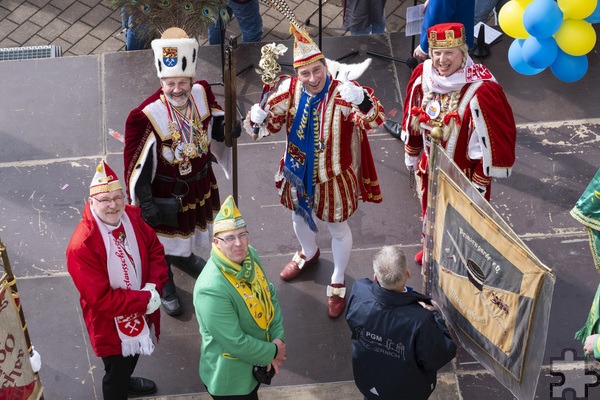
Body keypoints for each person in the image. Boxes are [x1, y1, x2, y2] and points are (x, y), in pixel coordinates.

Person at [245, 24, 385, 318]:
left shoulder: (344, 92)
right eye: (305, 73)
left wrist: (361, 100)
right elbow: (263, 130)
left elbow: (375, 120)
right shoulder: (289, 91)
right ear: (298, 75)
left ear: (326, 66)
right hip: (296, 173)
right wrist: (256, 119)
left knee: (337, 228)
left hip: (333, 177)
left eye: (317, 70)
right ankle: (308, 253)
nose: (312, 78)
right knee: (298, 216)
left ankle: (337, 279)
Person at [124, 27, 236, 316]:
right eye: (170, 82)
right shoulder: (145, 116)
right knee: (163, 241)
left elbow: (215, 124)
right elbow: (136, 167)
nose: (177, 89)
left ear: (191, 79)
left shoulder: (201, 93)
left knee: (188, 232)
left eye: (182, 82)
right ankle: (166, 281)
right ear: (161, 80)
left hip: (200, 185)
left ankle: (184, 258)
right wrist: (146, 206)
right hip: (167, 194)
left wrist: (228, 129)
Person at [400, 22, 516, 264]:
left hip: (464, 177)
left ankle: (461, 258)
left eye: (449, 52)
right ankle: (431, 247)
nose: (442, 60)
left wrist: (479, 185)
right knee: (429, 211)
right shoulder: (423, 76)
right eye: (437, 53)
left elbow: (490, 144)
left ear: (463, 53)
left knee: (463, 222)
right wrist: (412, 152)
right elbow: (413, 116)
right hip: (430, 169)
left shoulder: (481, 90)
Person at [66, 160, 168, 400]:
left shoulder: (131, 217)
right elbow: (102, 299)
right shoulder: (81, 247)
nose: (113, 206)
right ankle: (119, 388)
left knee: (127, 362)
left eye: (118, 197)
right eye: (105, 200)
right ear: (92, 202)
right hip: (109, 325)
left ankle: (126, 380)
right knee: (115, 369)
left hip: (142, 303)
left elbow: (154, 249)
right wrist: (145, 299)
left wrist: (154, 287)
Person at [193, 196, 286, 399]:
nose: (238, 243)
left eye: (242, 235)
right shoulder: (211, 288)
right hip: (231, 380)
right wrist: (273, 351)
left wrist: (278, 337)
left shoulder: (249, 254)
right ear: (216, 242)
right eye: (229, 237)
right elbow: (235, 342)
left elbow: (269, 294)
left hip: (259, 360)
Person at [345, 245, 456, 400]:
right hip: (408, 391)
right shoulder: (421, 320)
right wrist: (437, 316)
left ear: (376, 277)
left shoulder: (359, 291)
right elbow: (439, 356)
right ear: (408, 274)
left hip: (369, 380)